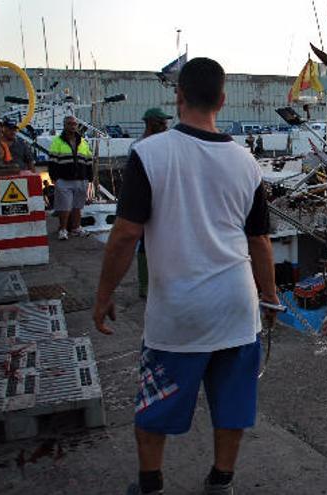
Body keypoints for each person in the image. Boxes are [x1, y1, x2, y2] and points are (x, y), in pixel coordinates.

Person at [93, 57, 279, 495]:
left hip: (178, 314)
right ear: (222, 99)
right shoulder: (247, 163)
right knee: (233, 407)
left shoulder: (149, 154)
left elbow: (124, 236)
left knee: (155, 406)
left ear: (178, 97)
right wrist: (269, 298)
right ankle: (220, 482)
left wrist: (103, 294)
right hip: (237, 309)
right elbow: (260, 243)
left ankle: (151, 485)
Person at [133, 108, 174, 299]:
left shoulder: (167, 145)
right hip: (147, 202)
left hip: (166, 201)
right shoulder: (138, 147)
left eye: (166, 122)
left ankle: (164, 282)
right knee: (145, 244)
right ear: (150, 123)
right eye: (161, 122)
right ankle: (144, 285)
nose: (166, 126)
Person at [48, 115, 92, 240]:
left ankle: (76, 228)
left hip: (81, 178)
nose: (72, 126)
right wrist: (54, 178)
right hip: (64, 179)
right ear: (64, 125)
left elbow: (88, 161)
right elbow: (52, 161)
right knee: (64, 206)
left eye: (74, 124)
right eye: (69, 124)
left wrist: (90, 178)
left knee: (78, 206)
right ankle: (63, 230)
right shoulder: (57, 141)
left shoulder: (83, 142)